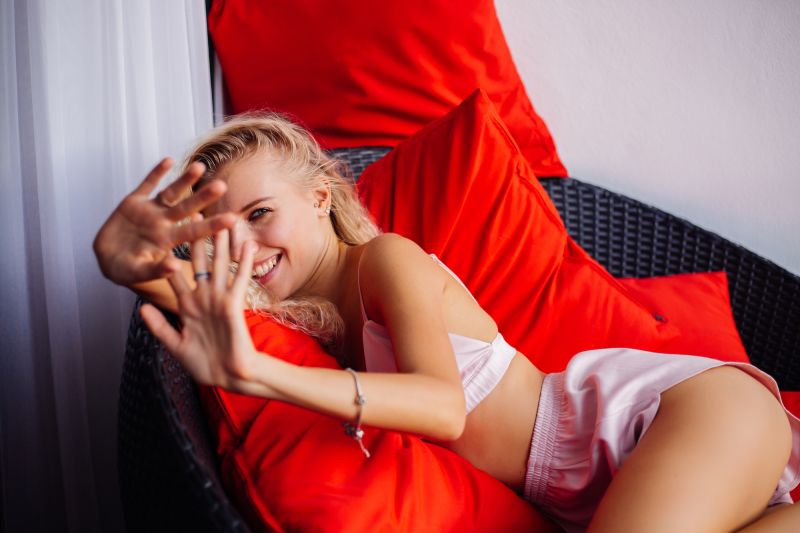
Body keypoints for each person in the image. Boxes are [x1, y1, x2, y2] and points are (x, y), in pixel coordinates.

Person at [94, 114, 800, 532]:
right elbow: (180, 292)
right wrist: (121, 260)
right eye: (222, 234)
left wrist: (264, 374)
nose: (244, 246)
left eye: (258, 215)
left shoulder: (383, 260)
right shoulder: (303, 320)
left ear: (318, 198)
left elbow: (443, 403)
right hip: (610, 482)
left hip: (674, 417)